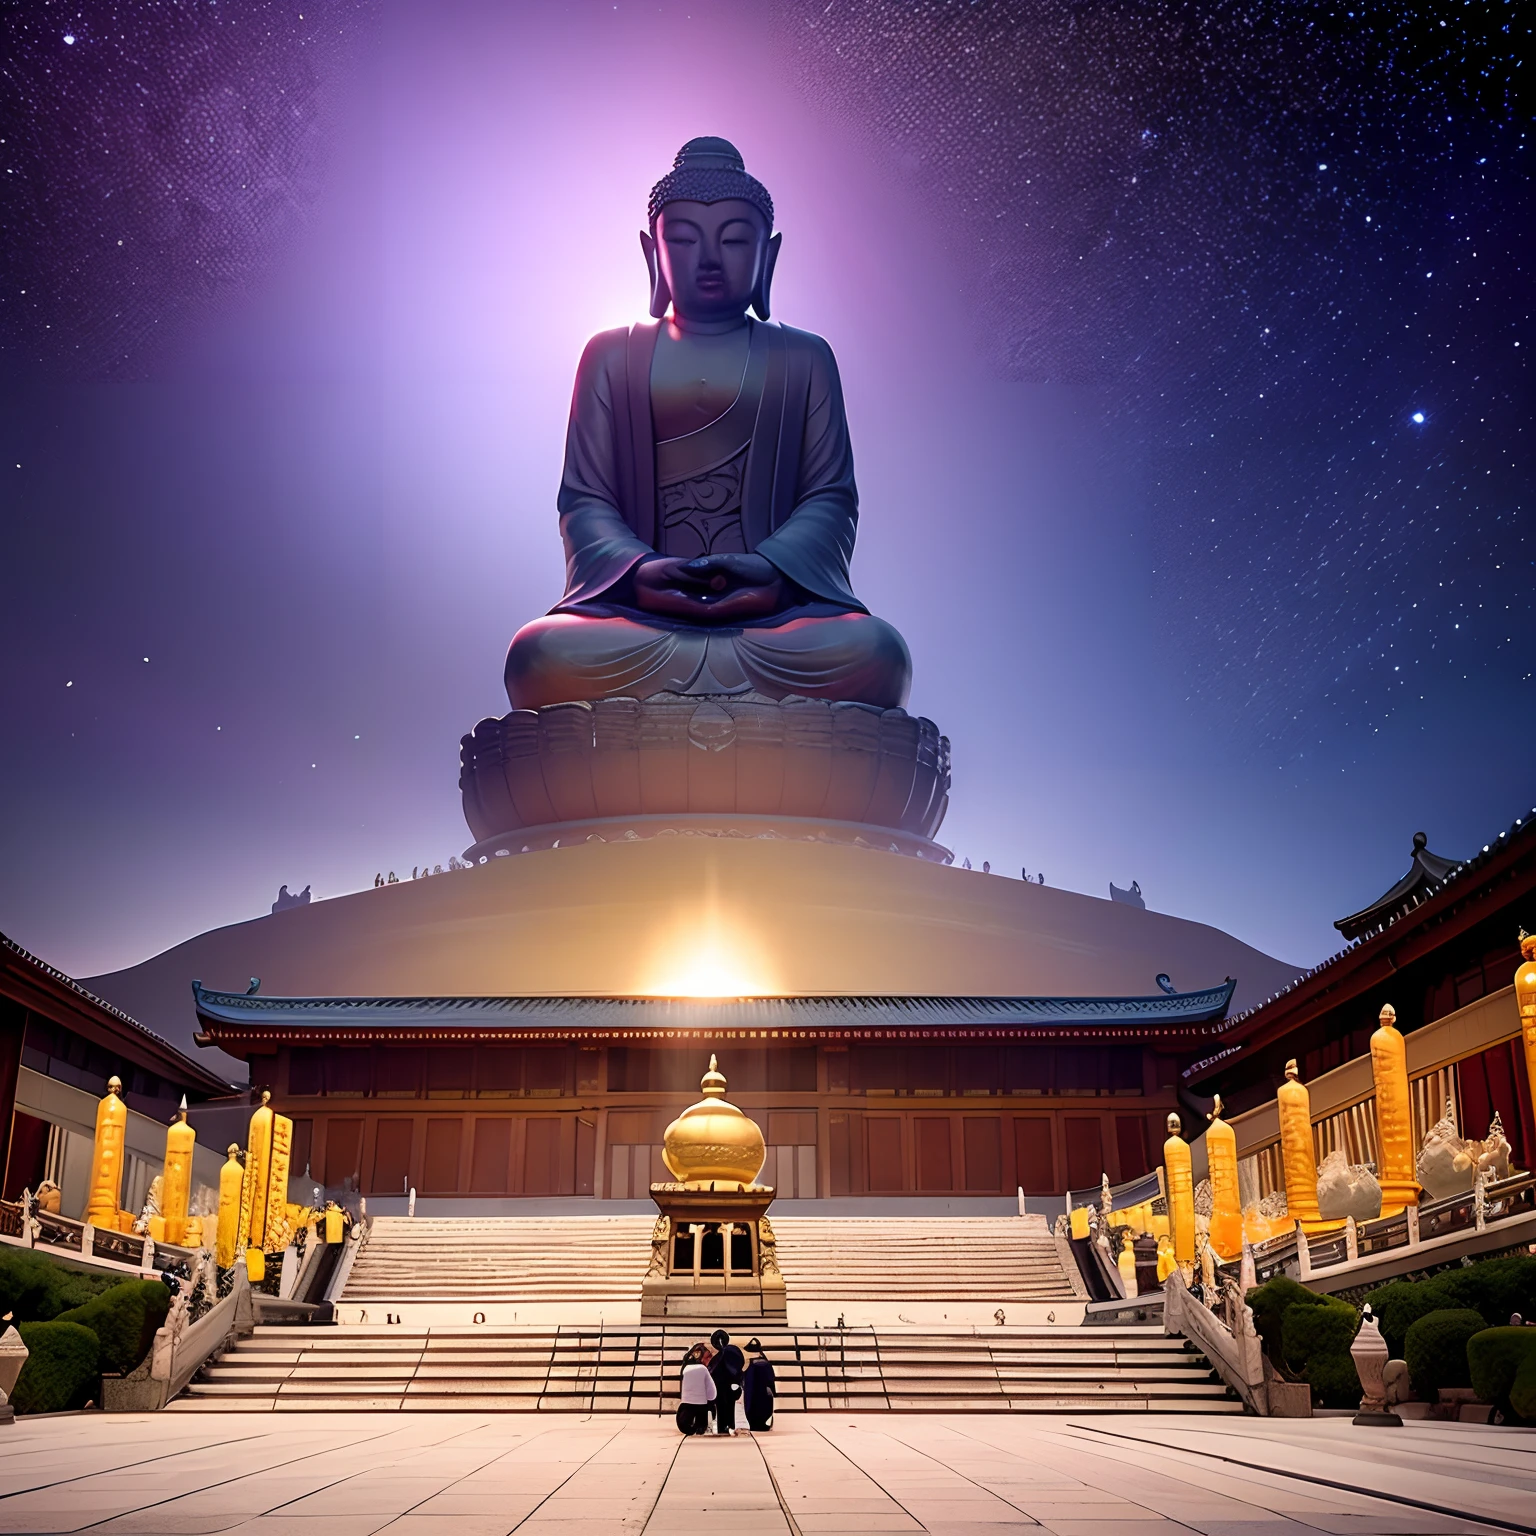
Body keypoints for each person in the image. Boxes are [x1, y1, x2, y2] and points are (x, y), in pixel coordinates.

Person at [504, 137, 912, 714]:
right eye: (686, 239)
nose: (711, 259)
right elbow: (585, 501)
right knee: (540, 656)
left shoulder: (805, 358)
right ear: (653, 253)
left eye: (735, 240)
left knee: (875, 654)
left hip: (770, 619)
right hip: (642, 617)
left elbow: (830, 498)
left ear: (767, 256)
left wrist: (773, 570)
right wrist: (640, 572)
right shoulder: (609, 356)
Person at [707, 1327, 745, 1434]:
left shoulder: (721, 1356)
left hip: (722, 1385)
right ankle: (728, 1424)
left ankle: (724, 1426)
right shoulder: (732, 1352)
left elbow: (712, 1371)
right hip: (728, 1385)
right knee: (728, 1405)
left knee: (723, 1406)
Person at [677, 1343, 715, 1434]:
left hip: (685, 1405)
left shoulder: (685, 1369)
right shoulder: (703, 1370)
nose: (709, 1360)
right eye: (708, 1357)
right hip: (701, 1405)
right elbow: (712, 1393)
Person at [742, 1338, 775, 1431]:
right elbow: (771, 1379)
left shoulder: (748, 1364)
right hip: (765, 1394)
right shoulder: (766, 1363)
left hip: (751, 1393)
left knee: (751, 1406)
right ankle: (764, 1423)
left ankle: (753, 1423)